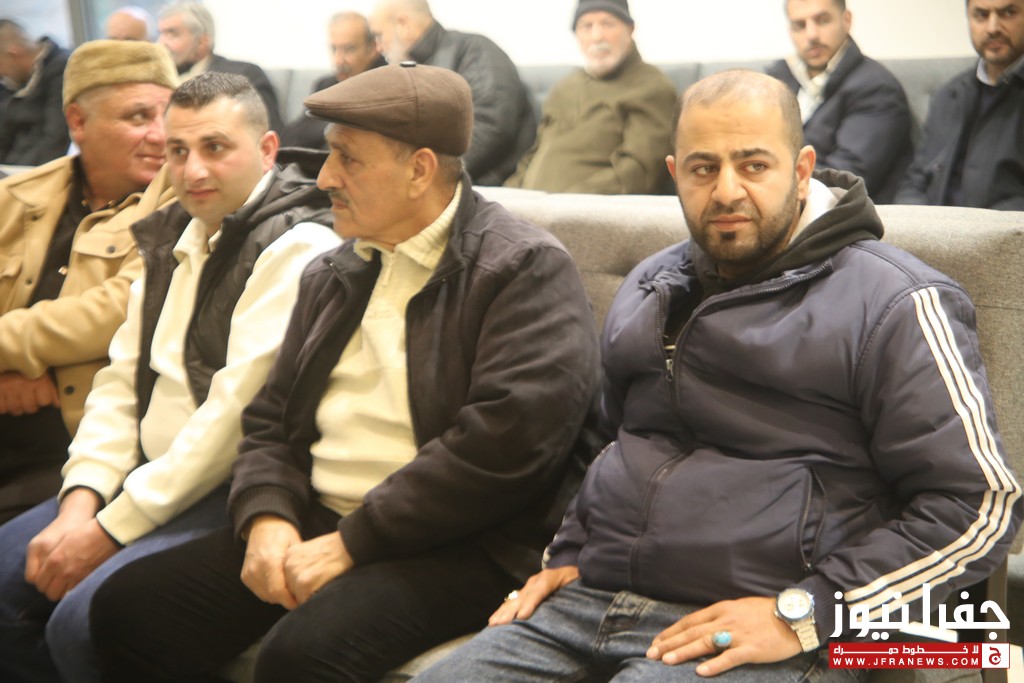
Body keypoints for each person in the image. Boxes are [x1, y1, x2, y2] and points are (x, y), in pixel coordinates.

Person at [411, 69, 1023, 683]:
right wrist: (566, 553)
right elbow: (604, 444)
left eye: (753, 165)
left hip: (775, 622)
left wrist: (807, 611)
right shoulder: (650, 285)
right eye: (703, 168)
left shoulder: (897, 300)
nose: (727, 191)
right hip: (589, 602)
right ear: (675, 173)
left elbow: (977, 505)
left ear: (802, 170)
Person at [88, 62, 600, 683]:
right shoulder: (333, 270)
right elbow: (269, 419)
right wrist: (268, 514)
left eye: (347, 159)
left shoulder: (522, 267)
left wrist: (353, 542)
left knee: (301, 656)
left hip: (467, 541)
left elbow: (504, 445)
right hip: (321, 513)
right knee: (128, 610)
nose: (325, 176)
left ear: (420, 170)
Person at [0, 71, 340, 683]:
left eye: (215, 147)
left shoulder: (298, 245)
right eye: (178, 151)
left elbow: (230, 422)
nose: (192, 170)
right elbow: (120, 383)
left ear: (266, 150)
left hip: (230, 486)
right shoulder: (176, 232)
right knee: (5, 577)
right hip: (146, 473)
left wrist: (108, 531)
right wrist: (81, 502)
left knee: (84, 622)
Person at [0, 39, 179, 525]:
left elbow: (120, 308)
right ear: (77, 122)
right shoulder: (17, 196)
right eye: (138, 117)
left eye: (168, 115)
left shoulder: (181, 205)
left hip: (78, 448)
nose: (161, 135)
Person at [504, 0, 676, 195]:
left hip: (585, 210)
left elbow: (637, 172)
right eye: (586, 26)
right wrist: (506, 197)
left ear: (630, 29)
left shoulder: (652, 87)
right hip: (529, 206)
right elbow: (533, 155)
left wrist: (563, 202)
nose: (596, 36)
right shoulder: (566, 86)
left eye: (608, 24)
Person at [369, 0, 536, 186]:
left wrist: (425, 176)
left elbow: (491, 127)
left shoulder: (474, 51)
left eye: (379, 35)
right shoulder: (407, 70)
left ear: (403, 24)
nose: (378, 47)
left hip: (489, 187)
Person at [765, 0, 912, 204]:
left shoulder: (877, 88)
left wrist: (764, 178)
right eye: (800, 25)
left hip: (838, 213)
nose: (811, 35)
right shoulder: (776, 79)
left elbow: (845, 179)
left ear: (846, 20)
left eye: (823, 20)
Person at [895, 0, 1024, 209]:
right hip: (935, 225)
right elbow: (915, 181)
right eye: (981, 15)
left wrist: (982, 226)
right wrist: (915, 219)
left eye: (1008, 13)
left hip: (1003, 227)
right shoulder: (949, 95)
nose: (992, 28)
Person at [158, 1, 284, 131]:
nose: (161, 43)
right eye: (160, 34)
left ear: (201, 42)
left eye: (172, 34)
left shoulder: (245, 75)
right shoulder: (158, 79)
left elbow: (269, 130)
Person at [280, 11, 386, 149]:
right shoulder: (326, 85)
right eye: (334, 49)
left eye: (349, 49)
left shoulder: (389, 85)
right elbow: (291, 137)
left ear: (373, 48)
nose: (338, 60)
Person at [0, 20, 70, 165]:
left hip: (40, 170)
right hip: (14, 170)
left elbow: (56, 140)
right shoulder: (13, 83)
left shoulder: (63, 70)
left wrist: (16, 176)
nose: (1, 73)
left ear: (14, 53)